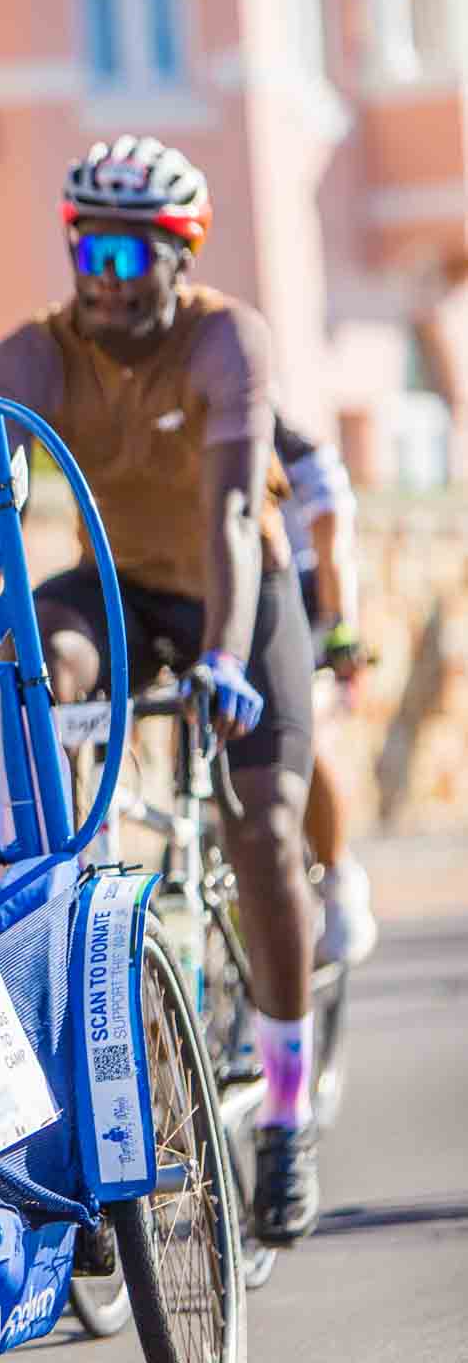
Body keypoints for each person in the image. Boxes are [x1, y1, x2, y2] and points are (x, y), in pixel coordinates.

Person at [0, 134, 321, 1246]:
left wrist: (228, 658)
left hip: (233, 591)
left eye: (129, 252)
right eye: (86, 249)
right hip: (116, 588)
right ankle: (67, 886)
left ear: (181, 253)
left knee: (265, 830)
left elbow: (235, 514)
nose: (103, 276)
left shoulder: (225, 338)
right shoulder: (28, 356)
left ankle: (286, 1109)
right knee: (38, 667)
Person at [273, 411, 377, 965]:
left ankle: (339, 880)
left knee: (305, 728)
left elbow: (332, 545)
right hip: (242, 593)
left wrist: (341, 634)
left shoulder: (308, 460)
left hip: (311, 596)